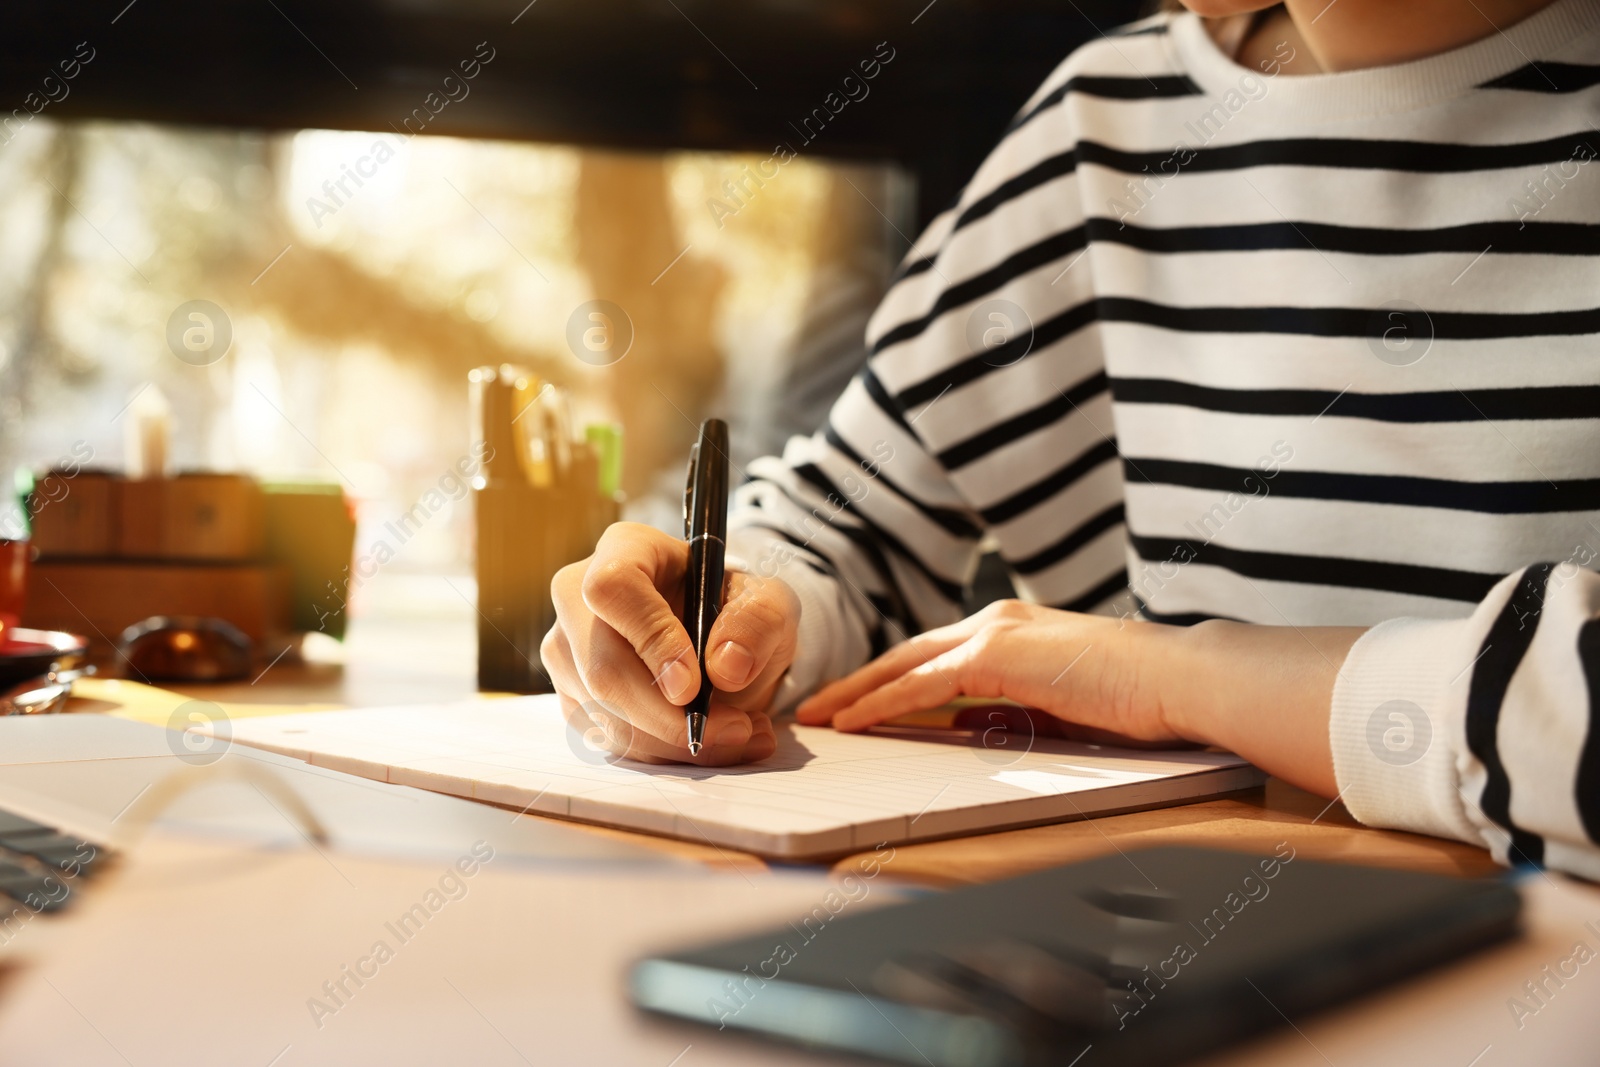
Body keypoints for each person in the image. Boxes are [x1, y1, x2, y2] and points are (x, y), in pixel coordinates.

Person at [543, 0, 1600, 879]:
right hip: (1192, 953)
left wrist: (1185, 677)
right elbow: (844, 522)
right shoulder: (1114, 124)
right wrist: (730, 615)